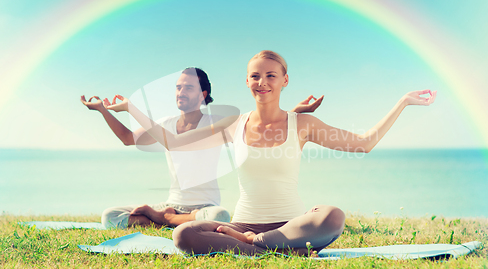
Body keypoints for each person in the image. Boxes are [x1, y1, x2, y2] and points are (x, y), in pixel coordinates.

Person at [105, 50, 436, 255]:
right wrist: (131, 109)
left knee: (332, 215)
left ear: (284, 81)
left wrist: (402, 102)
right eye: (255, 75)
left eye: (270, 75)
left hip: (290, 225)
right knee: (183, 235)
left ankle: (257, 246)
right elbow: (175, 142)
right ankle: (269, 249)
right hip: (243, 222)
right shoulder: (233, 125)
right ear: (247, 82)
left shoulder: (303, 124)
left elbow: (364, 143)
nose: (262, 81)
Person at [81, 67, 323, 229]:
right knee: (110, 216)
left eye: (188, 87)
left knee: (220, 217)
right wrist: (103, 110)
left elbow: (259, 125)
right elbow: (127, 138)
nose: (180, 92)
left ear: (202, 94)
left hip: (204, 209)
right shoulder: (165, 124)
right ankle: (167, 218)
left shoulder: (214, 123)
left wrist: (294, 113)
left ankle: (163, 220)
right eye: (178, 87)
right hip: (173, 203)